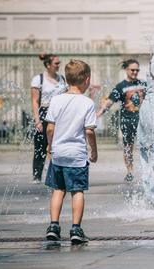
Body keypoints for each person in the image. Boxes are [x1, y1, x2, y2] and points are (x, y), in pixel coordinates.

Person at [44, 59, 97, 244]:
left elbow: (50, 128)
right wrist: (94, 150)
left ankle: (53, 226)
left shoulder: (56, 100)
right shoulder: (87, 103)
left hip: (58, 153)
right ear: (87, 79)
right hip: (77, 156)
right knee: (77, 191)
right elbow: (89, 131)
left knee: (58, 190)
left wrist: (50, 146)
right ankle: (76, 229)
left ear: (66, 79)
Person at [97, 59, 147, 182]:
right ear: (126, 70)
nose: (135, 72)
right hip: (127, 121)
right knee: (128, 147)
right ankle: (130, 171)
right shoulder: (121, 86)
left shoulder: (143, 84)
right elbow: (110, 101)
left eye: (137, 70)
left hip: (143, 121)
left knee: (146, 145)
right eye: (132, 70)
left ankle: (147, 170)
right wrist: (99, 113)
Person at [30, 53, 68, 183]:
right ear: (48, 65)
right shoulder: (38, 79)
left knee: (57, 145)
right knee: (41, 146)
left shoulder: (62, 78)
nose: (59, 65)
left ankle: (56, 173)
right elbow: (35, 101)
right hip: (44, 113)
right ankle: (37, 175)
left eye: (59, 63)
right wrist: (37, 120)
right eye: (56, 63)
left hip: (59, 115)